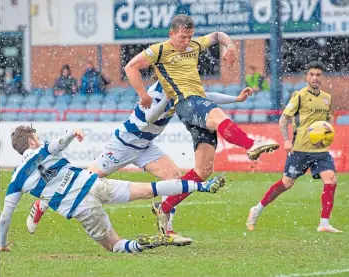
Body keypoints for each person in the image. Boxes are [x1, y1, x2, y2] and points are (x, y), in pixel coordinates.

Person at [27, 77, 254, 245]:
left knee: (173, 177)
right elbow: (149, 118)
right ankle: (42, 203)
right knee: (86, 180)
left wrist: (235, 99)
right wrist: (168, 96)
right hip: (124, 143)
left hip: (145, 145)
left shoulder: (179, 86)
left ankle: (168, 230)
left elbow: (204, 97)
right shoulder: (157, 90)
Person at [124, 14, 279, 235]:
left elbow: (217, 35)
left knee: (203, 171)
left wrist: (230, 47)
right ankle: (250, 145)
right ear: (171, 34)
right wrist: (142, 94)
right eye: (181, 37)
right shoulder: (159, 50)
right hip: (186, 103)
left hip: (198, 101)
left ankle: (164, 207)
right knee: (217, 116)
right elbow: (131, 66)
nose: (185, 41)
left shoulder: (195, 45)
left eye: (189, 36)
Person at [0, 125, 226, 253]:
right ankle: (202, 185)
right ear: (31, 142)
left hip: (82, 208)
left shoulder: (16, 180)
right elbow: (58, 143)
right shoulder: (43, 151)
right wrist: (72, 133)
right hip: (95, 185)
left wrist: (1, 244)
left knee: (114, 245)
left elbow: (4, 218)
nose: (39, 140)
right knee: (152, 188)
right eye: (37, 137)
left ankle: (141, 244)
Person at [246, 61, 342, 233]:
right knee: (287, 183)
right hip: (300, 150)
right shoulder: (299, 96)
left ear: (322, 77)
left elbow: (330, 119)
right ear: (306, 76)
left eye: (318, 75)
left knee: (331, 180)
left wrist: (327, 135)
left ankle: (324, 223)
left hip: (320, 151)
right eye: (311, 74)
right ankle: (256, 209)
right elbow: (283, 119)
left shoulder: (327, 98)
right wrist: (287, 140)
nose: (315, 78)